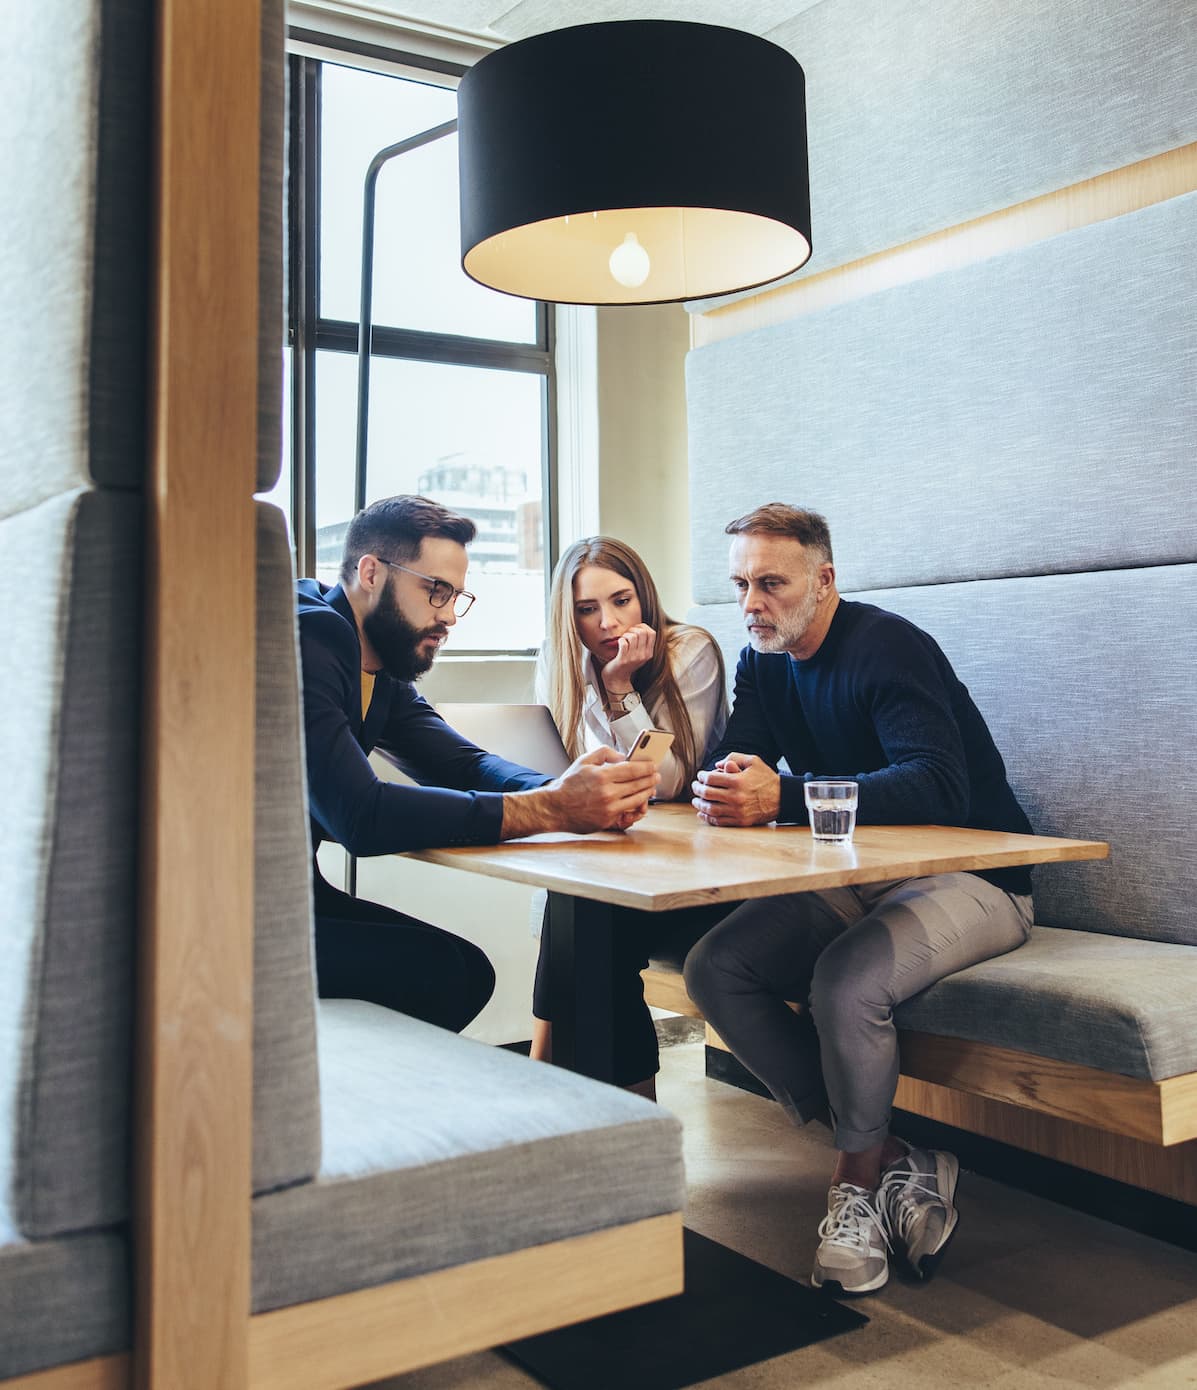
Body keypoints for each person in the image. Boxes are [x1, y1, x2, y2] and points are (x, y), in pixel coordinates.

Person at [683, 503, 1035, 1296]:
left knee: (844, 983)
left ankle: (850, 1187)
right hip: (856, 879)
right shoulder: (762, 659)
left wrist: (780, 798)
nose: (750, 605)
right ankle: (898, 1161)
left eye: (770, 584)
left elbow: (937, 782)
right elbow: (739, 762)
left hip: (976, 876)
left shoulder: (888, 647)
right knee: (717, 968)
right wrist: (720, 784)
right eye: (739, 585)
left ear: (824, 578)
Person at [297, 495, 658, 1036]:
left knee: (465, 972)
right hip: (227, 911)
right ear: (370, 571)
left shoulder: (380, 665)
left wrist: (573, 790)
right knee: (441, 975)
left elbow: (463, 764)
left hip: (294, 895)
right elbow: (360, 816)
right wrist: (553, 808)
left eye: (456, 597)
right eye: (435, 590)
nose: (446, 615)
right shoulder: (312, 637)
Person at [530, 536, 730, 1094]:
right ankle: (614, 1101)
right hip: (614, 846)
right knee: (579, 897)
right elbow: (562, 767)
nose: (608, 623)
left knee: (588, 909)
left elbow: (666, 780)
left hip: (688, 853)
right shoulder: (559, 658)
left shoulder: (690, 650)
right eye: (587, 610)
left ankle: (553, 1073)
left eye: (621, 601)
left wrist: (619, 687)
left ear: (643, 594)